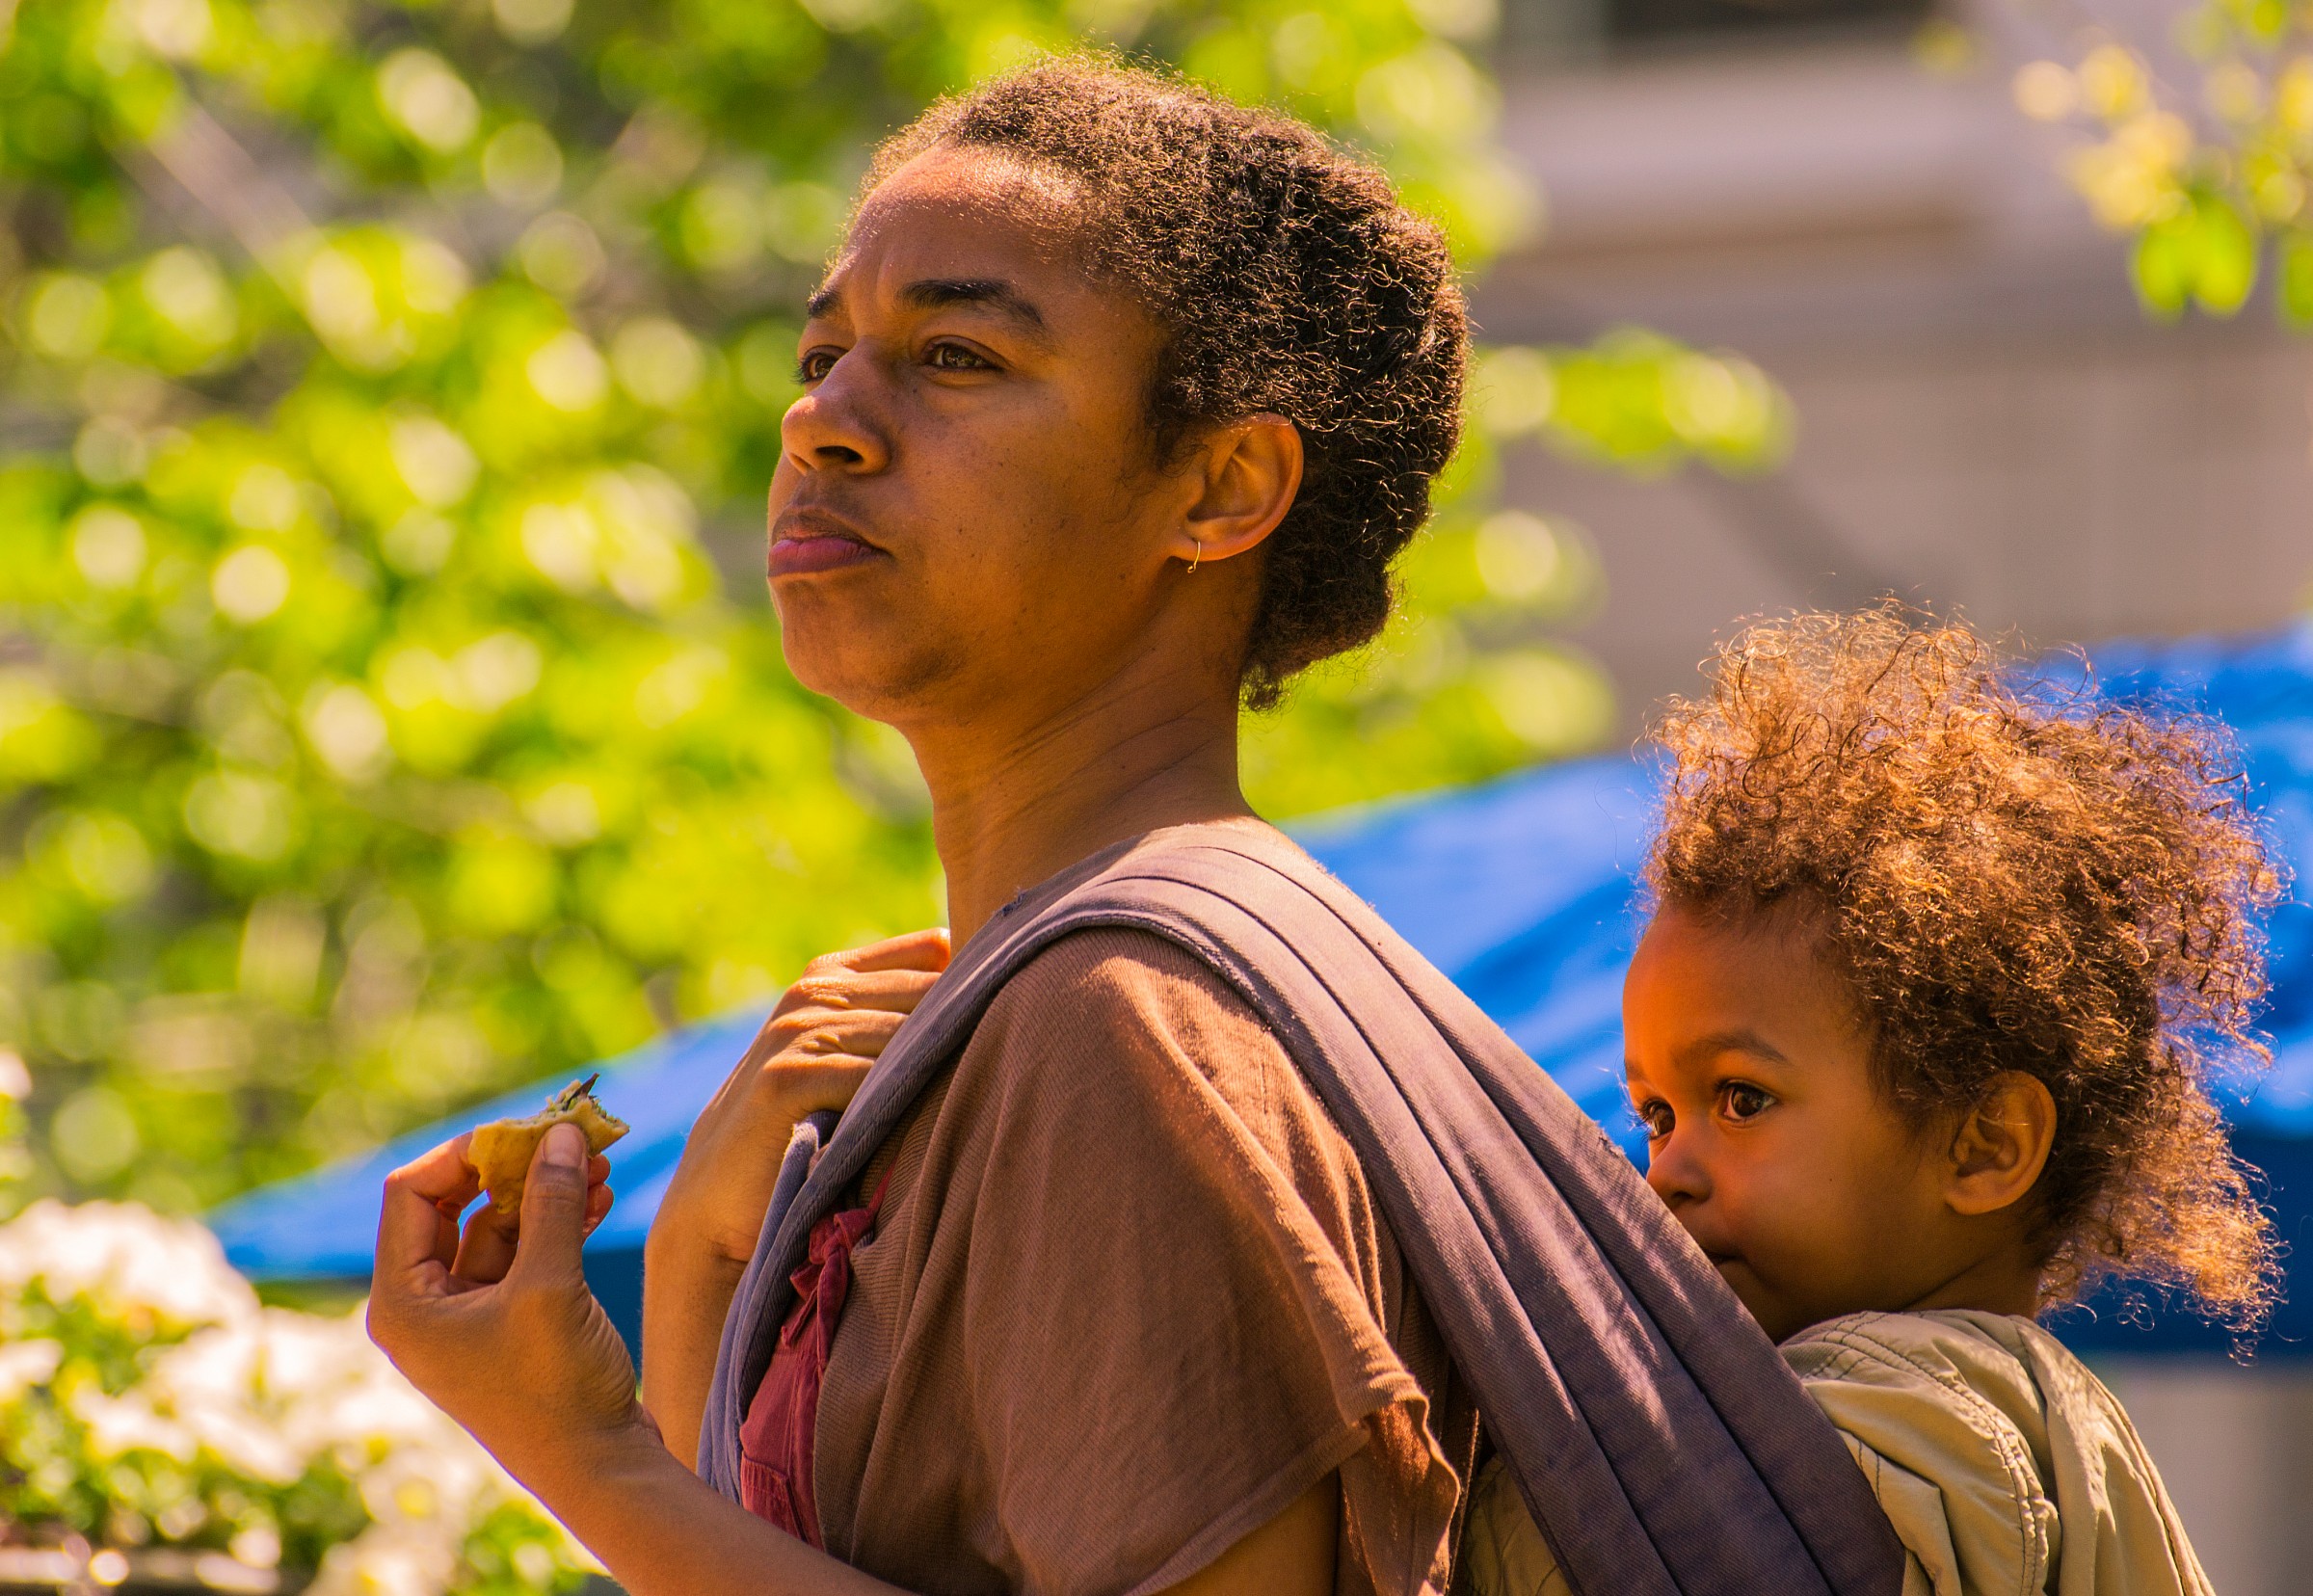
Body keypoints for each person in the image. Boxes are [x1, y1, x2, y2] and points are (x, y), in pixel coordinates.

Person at [363, 61, 1898, 1596]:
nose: (822, 419)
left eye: (954, 355)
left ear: (1221, 486)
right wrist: (708, 1255)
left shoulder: (1125, 1027)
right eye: (824, 349)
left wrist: (583, 1459)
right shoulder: (1128, 984)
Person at [1458, 609, 2278, 1596]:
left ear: (1982, 1147)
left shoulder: (1911, 1410)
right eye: (1657, 1115)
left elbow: (1578, 1555)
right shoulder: (2037, 1413)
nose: (1663, 1173)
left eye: (1742, 1098)